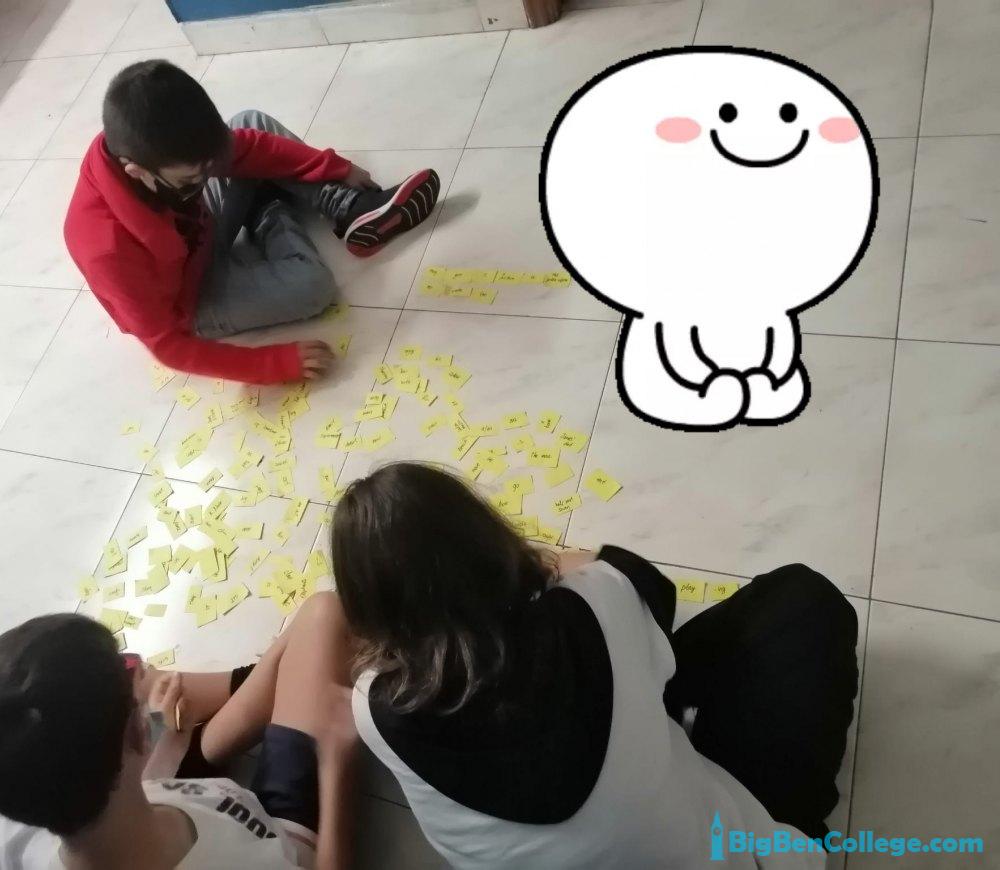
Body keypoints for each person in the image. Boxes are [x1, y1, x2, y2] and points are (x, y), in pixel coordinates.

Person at [331, 462, 859, 869]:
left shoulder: (375, 709)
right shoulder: (595, 596)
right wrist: (528, 567)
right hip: (729, 849)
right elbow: (644, 587)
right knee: (802, 602)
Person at [64, 59, 440, 385]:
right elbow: (170, 346)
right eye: (190, 179)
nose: (205, 178)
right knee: (312, 287)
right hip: (189, 300)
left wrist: (333, 168)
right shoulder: (106, 250)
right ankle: (266, 210)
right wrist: (273, 364)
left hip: (199, 230)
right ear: (137, 171)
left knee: (251, 122)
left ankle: (352, 210)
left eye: (209, 168)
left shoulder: (148, 139)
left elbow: (244, 148)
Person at [0, 593, 359, 870]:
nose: (138, 662)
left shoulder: (19, 832)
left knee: (317, 621)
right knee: (323, 614)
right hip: (279, 833)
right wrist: (337, 764)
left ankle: (268, 681)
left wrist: (170, 742)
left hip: (172, 789)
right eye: (127, 669)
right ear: (137, 734)